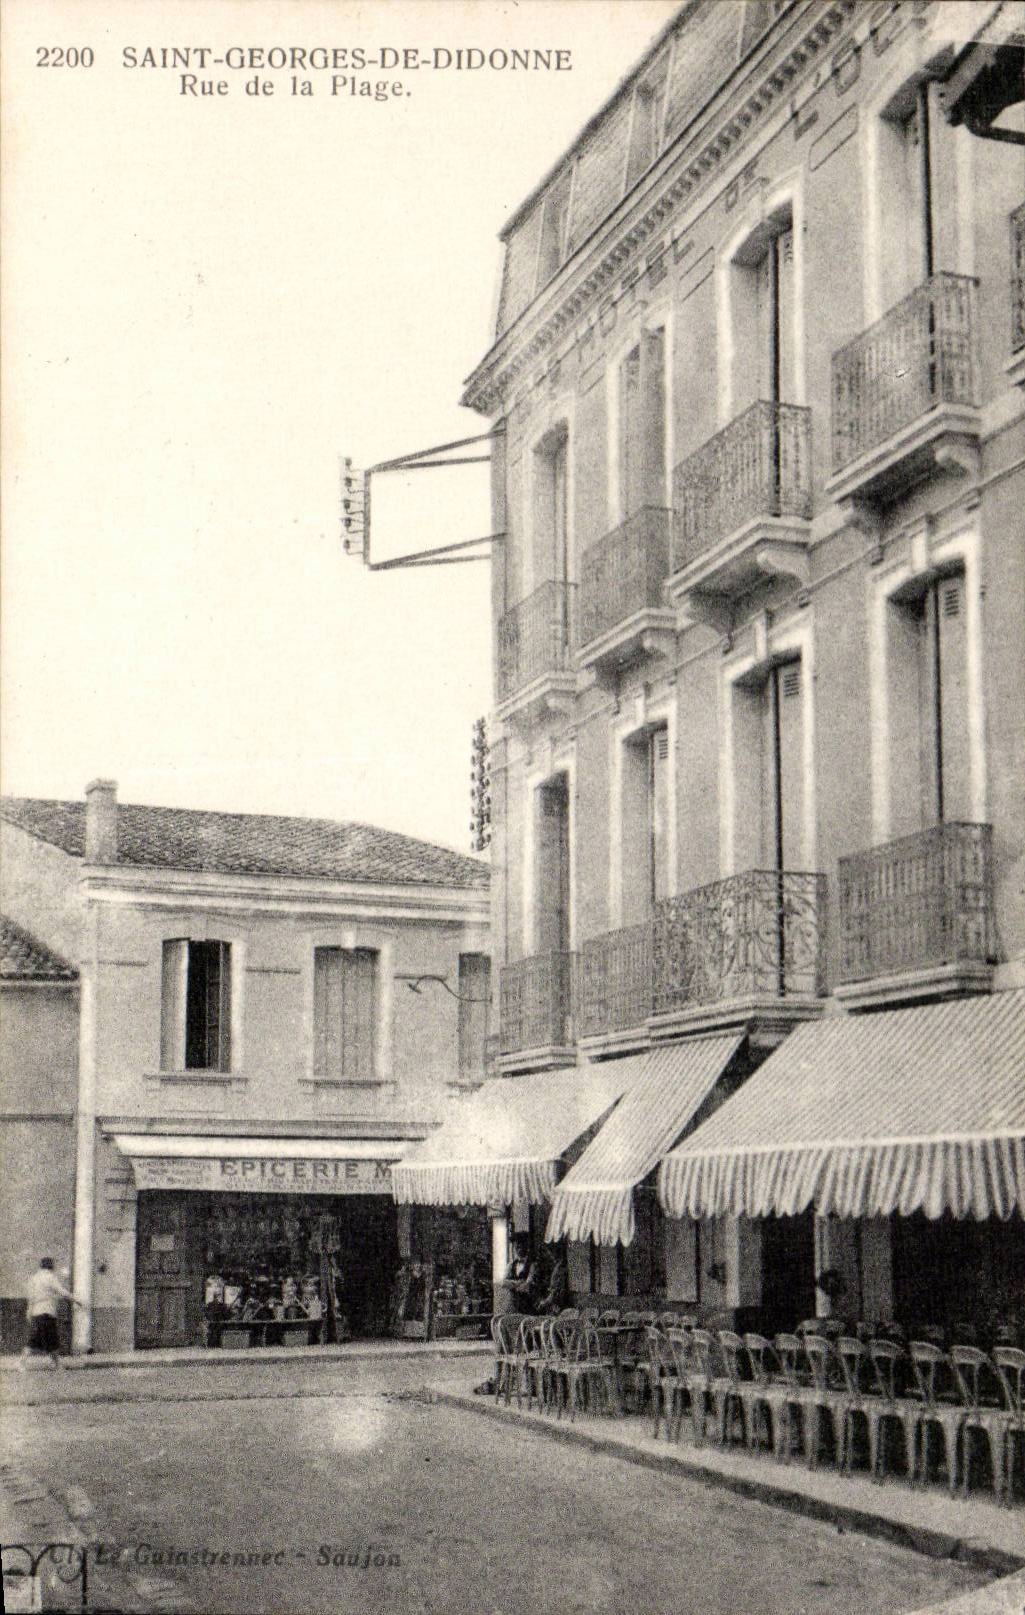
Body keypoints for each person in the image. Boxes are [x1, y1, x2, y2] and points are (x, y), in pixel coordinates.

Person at [22, 1257, 81, 1369]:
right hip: (48, 1312)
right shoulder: (50, 1277)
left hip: (36, 1312)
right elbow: (62, 1292)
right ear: (51, 1266)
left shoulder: (34, 1278)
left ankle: (23, 1364)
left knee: (33, 1339)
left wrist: (29, 1312)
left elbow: (31, 1297)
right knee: (52, 1339)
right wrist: (76, 1299)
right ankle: (56, 1364)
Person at [493, 1233, 537, 1315]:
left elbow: (527, 1286)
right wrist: (520, 1283)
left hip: (527, 1305)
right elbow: (503, 1283)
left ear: (526, 1247)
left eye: (521, 1246)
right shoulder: (511, 1265)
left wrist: (512, 1284)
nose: (519, 1249)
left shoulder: (532, 1265)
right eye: (517, 1247)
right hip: (513, 1305)